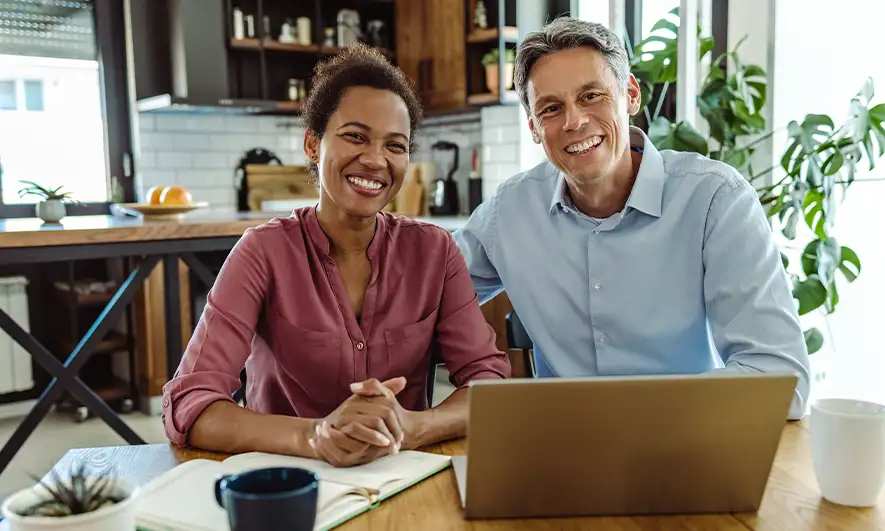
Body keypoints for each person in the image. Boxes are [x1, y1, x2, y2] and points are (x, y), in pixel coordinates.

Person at [162, 44, 510, 466]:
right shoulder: (262, 252)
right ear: (313, 144)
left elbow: (488, 382)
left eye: (395, 146)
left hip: (398, 475)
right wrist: (314, 436)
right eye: (355, 136)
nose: (375, 159)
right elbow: (189, 402)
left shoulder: (435, 252)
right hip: (286, 482)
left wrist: (414, 426)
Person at [455, 18, 809, 419]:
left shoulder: (715, 200)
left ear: (631, 95)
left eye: (592, 96)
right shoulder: (509, 212)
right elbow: (422, 291)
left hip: (689, 442)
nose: (574, 121)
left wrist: (635, 413)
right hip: (560, 452)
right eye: (551, 108)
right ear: (535, 127)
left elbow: (781, 379)